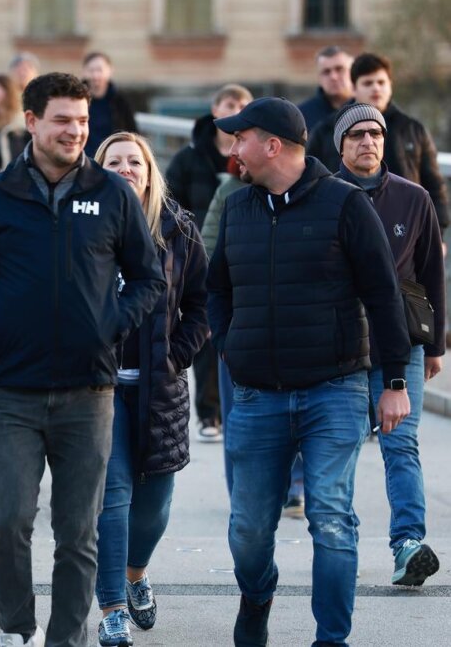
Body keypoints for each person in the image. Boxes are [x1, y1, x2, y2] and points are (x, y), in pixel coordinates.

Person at [0, 72, 164, 647]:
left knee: (78, 532)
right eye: (63, 120)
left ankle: (67, 639)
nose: (75, 131)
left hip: (89, 392)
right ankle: (19, 630)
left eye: (83, 121)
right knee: (7, 522)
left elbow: (149, 280)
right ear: (32, 121)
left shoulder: (112, 194)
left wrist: (111, 322)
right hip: (13, 391)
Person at [206, 97, 412, 646]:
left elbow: (384, 296)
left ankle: (331, 638)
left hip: (334, 390)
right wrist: (229, 344)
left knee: (331, 516)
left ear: (272, 146)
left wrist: (394, 382)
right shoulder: (238, 208)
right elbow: (216, 289)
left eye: (241, 137)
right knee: (249, 529)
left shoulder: (346, 205)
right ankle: (257, 595)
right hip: (257, 397)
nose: (233, 148)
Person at [91, 132, 209, 647]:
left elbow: (203, 303)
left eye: (133, 161)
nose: (124, 168)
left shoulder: (178, 228)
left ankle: (135, 572)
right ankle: (112, 607)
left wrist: (175, 355)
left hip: (160, 387)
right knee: (113, 496)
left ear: (148, 170)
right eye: (113, 161)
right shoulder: (80, 227)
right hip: (99, 390)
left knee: (156, 502)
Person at [333, 104, 443, 587]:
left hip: (402, 343)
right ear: (341, 146)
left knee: (402, 445)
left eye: (375, 133)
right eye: (356, 135)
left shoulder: (414, 198)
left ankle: (409, 544)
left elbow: (432, 275)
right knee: (340, 447)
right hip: (340, 344)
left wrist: (435, 345)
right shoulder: (324, 195)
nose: (368, 142)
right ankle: (339, 540)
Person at [164, 83, 252, 443]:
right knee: (205, 328)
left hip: (242, 254)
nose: (236, 109)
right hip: (196, 253)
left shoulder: (251, 158)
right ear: (215, 110)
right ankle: (209, 412)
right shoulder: (189, 157)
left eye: (243, 104)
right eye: (230, 103)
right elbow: (170, 202)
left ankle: (236, 406)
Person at [306, 52, 449, 229]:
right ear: (354, 87)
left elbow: (434, 185)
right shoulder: (327, 130)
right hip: (345, 224)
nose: (376, 88)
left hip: (404, 227)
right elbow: (310, 183)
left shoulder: (413, 129)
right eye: (368, 83)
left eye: (381, 82)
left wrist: (438, 230)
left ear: (390, 86)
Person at [81, 51, 137, 158]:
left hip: (113, 159)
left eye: (99, 70)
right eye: (91, 70)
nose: (95, 75)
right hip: (83, 160)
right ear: (84, 72)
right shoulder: (76, 99)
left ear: (110, 71)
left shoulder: (120, 101)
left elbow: (132, 132)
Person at [297, 46, 353, 132]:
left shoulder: (367, 108)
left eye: (339, 69)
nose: (333, 77)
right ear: (319, 78)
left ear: (353, 72)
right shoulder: (302, 116)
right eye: (326, 72)